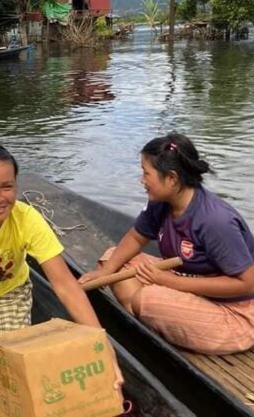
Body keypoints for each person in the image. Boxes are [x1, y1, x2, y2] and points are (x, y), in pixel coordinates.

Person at [0, 138, 122, 411]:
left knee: (7, 363)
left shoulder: (27, 219)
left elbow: (65, 285)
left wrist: (102, 343)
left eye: (7, 187)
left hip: (8, 292)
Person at [79, 132, 254, 355]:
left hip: (236, 315)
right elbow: (136, 237)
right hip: (191, 287)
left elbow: (247, 284)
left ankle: (152, 321)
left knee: (148, 299)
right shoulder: (161, 202)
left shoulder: (215, 221)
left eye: (146, 174)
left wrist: (168, 281)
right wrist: (104, 273)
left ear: (171, 178)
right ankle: (155, 323)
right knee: (114, 258)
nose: (142, 180)